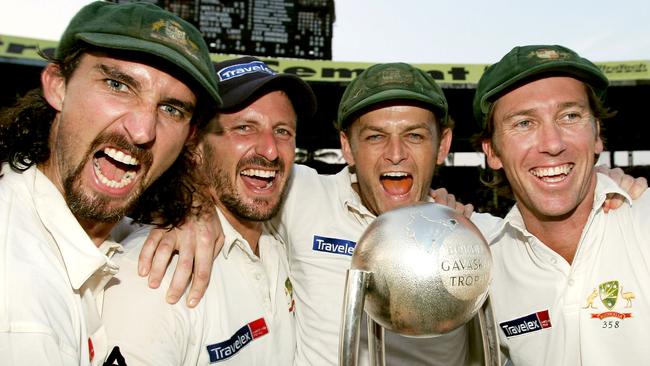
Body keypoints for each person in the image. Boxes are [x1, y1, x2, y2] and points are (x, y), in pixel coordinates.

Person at [0, 2, 221, 365]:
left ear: (189, 137)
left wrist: (196, 207)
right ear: (58, 86)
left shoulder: (117, 224)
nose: (142, 130)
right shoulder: (21, 312)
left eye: (171, 109)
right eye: (117, 85)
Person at [101, 56, 317, 365]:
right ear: (195, 145)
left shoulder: (280, 237)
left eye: (282, 131)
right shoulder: (155, 273)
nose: (270, 150)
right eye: (244, 128)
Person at [473, 44, 650, 365]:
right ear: (493, 152)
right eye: (524, 123)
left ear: (597, 134)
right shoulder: (481, 268)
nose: (553, 144)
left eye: (570, 116)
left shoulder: (644, 223)